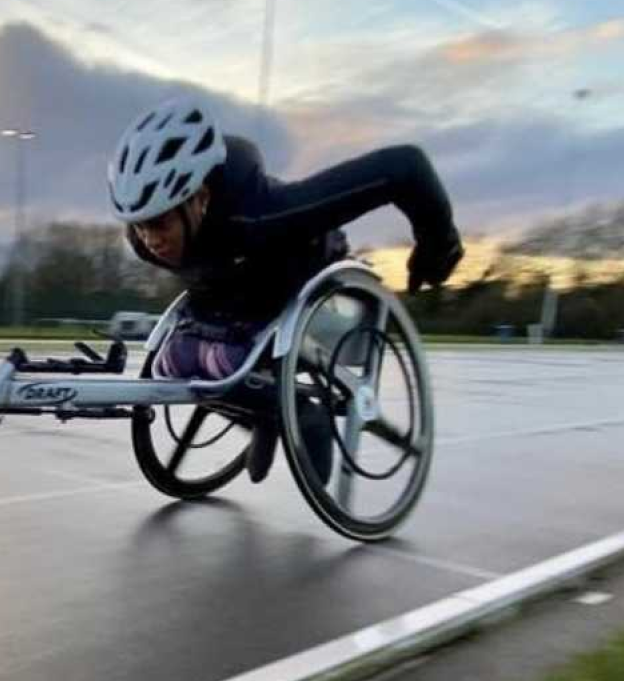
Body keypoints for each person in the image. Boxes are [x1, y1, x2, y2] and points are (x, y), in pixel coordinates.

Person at [107, 96, 463, 484]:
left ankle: (299, 413)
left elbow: (404, 166)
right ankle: (265, 412)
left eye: (158, 224)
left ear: (201, 199)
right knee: (172, 362)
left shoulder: (264, 213)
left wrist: (438, 244)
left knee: (228, 361)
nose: (148, 239)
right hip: (232, 290)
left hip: (301, 276)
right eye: (138, 225)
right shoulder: (144, 240)